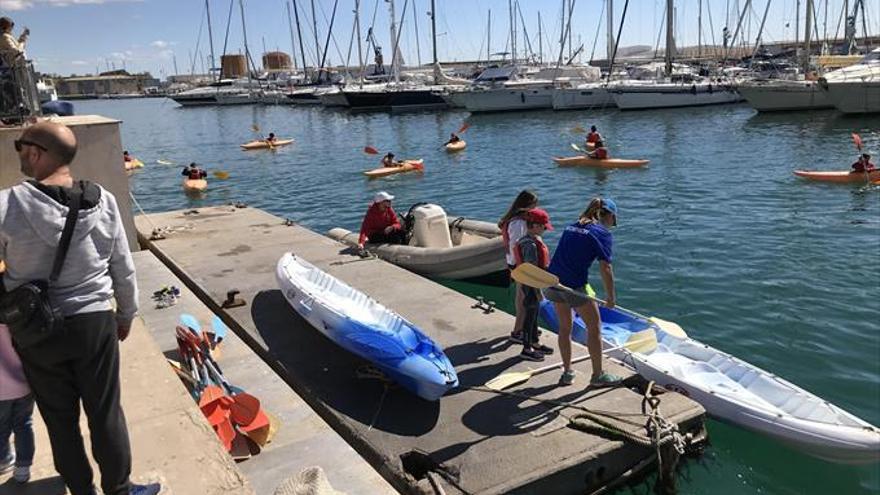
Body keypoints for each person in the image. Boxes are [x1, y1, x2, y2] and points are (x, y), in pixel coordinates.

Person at [0, 122, 159, 495]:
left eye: (21, 147)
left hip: (37, 330)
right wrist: (126, 313)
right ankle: (119, 489)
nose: (20, 154)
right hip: (94, 322)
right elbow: (123, 265)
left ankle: (81, 490)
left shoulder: (6, 204)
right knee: (106, 412)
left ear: (37, 153)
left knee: (59, 419)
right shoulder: (103, 200)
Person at [544, 197, 623, 388]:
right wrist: (610, 297)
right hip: (573, 287)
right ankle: (597, 375)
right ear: (610, 215)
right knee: (595, 328)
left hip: (553, 282)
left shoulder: (572, 225)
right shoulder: (602, 233)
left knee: (565, 328)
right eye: (615, 219)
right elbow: (606, 268)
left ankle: (567, 373)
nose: (614, 224)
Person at [513, 209, 554, 361]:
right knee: (530, 315)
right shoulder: (529, 244)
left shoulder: (526, 239)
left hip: (530, 283)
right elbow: (531, 269)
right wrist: (537, 289)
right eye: (544, 226)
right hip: (531, 284)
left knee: (534, 312)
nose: (545, 229)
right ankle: (526, 348)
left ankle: (535, 343)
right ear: (535, 226)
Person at [498, 190, 538, 345]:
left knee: (522, 297)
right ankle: (517, 331)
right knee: (523, 299)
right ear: (527, 205)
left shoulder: (514, 219)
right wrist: (523, 267)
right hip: (518, 265)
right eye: (534, 205)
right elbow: (517, 245)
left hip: (514, 263)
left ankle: (525, 326)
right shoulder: (518, 223)